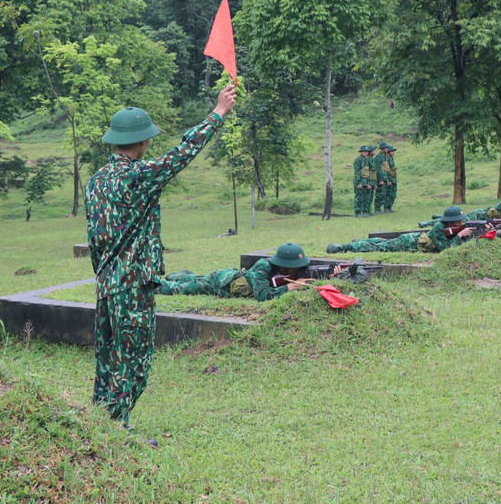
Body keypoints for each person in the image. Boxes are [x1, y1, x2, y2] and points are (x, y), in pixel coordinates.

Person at [85, 85, 236, 424]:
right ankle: (112, 433)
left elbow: (95, 239)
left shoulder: (95, 181)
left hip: (106, 284)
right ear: (143, 142)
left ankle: (96, 430)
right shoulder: (139, 175)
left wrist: (105, 273)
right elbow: (183, 153)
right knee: (134, 366)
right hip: (133, 286)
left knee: (108, 363)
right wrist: (218, 113)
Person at [328, 205, 475, 254]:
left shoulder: (458, 223)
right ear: (451, 221)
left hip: (414, 240)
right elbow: (446, 249)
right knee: (377, 247)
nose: (462, 222)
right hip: (408, 243)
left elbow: (469, 222)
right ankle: (341, 247)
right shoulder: (439, 228)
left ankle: (359, 241)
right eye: (458, 221)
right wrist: (460, 235)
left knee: (380, 242)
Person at [243, 242, 342, 298]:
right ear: (283, 265)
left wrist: (330, 276)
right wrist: (291, 286)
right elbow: (261, 295)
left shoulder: (293, 270)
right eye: (294, 266)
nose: (297, 268)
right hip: (229, 285)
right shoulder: (263, 267)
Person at [353, 145, 372, 217]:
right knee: (359, 197)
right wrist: (359, 183)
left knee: (366, 197)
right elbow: (357, 172)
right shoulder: (358, 160)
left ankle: (364, 212)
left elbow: (367, 172)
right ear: (361, 152)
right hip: (360, 181)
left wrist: (369, 183)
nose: (366, 153)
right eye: (364, 152)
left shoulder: (367, 160)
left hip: (366, 181)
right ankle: (357, 213)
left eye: (367, 152)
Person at [373, 141, 390, 214]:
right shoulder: (378, 157)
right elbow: (378, 169)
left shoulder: (385, 157)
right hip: (381, 179)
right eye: (385, 148)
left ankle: (380, 209)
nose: (386, 149)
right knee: (379, 194)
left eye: (387, 148)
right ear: (382, 149)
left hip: (385, 178)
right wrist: (380, 179)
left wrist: (388, 179)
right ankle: (377, 209)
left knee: (384, 194)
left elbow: (387, 169)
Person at [383, 145, 398, 212]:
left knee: (393, 194)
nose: (393, 153)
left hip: (393, 178)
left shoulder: (391, 159)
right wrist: (388, 180)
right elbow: (386, 170)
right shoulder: (387, 159)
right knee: (389, 194)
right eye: (392, 151)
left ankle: (389, 207)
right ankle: (386, 207)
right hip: (390, 179)